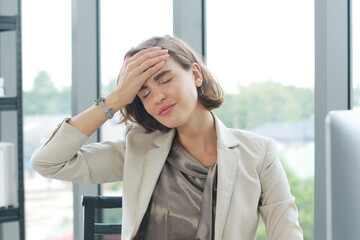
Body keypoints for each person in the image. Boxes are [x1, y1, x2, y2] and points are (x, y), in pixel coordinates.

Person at [31, 35, 303, 240]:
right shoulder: (138, 150)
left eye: (164, 79)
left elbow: (286, 232)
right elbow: (48, 163)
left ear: (195, 74)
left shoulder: (258, 153)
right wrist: (115, 99)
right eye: (144, 93)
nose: (157, 96)